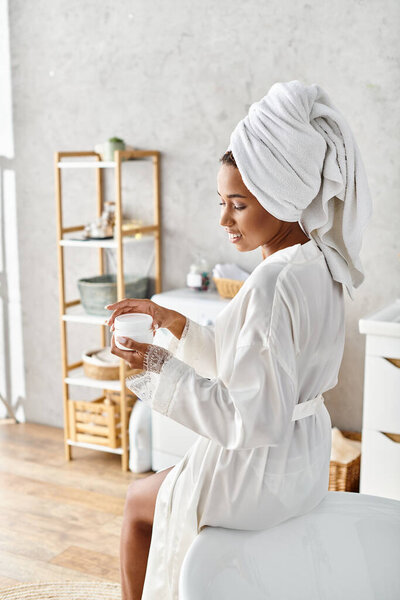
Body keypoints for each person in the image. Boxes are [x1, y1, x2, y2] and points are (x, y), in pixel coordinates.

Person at [108, 80, 372, 600]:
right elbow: (259, 366)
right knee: (166, 483)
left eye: (238, 205)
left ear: (282, 197)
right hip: (305, 461)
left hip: (262, 473)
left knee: (139, 505)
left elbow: (249, 419)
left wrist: (155, 365)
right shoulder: (319, 262)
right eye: (221, 202)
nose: (223, 220)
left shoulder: (273, 283)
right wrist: (172, 321)